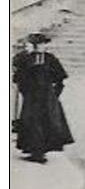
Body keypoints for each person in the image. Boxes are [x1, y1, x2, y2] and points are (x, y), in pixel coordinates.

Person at [13, 32, 73, 164]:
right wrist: (26, 90)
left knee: (48, 122)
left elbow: (60, 77)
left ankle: (41, 151)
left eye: (43, 44)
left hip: (47, 97)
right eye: (39, 44)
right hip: (32, 96)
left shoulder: (50, 58)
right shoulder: (25, 59)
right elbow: (18, 78)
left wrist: (54, 93)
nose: (42, 46)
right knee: (31, 122)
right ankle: (35, 151)